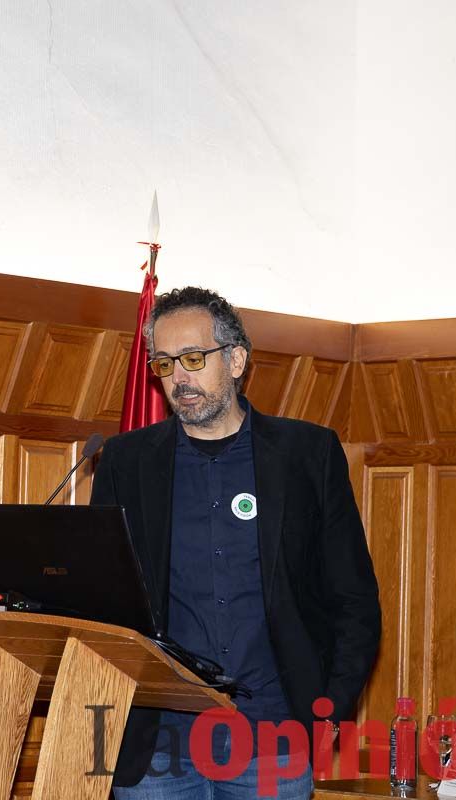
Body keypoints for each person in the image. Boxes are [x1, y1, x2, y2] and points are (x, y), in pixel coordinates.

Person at [90, 286, 381, 799]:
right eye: (164, 364)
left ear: (237, 359)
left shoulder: (306, 455)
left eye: (194, 359)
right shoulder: (126, 462)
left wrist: (330, 707)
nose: (179, 378)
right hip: (157, 742)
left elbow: (353, 596)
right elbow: (102, 600)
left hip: (274, 737)